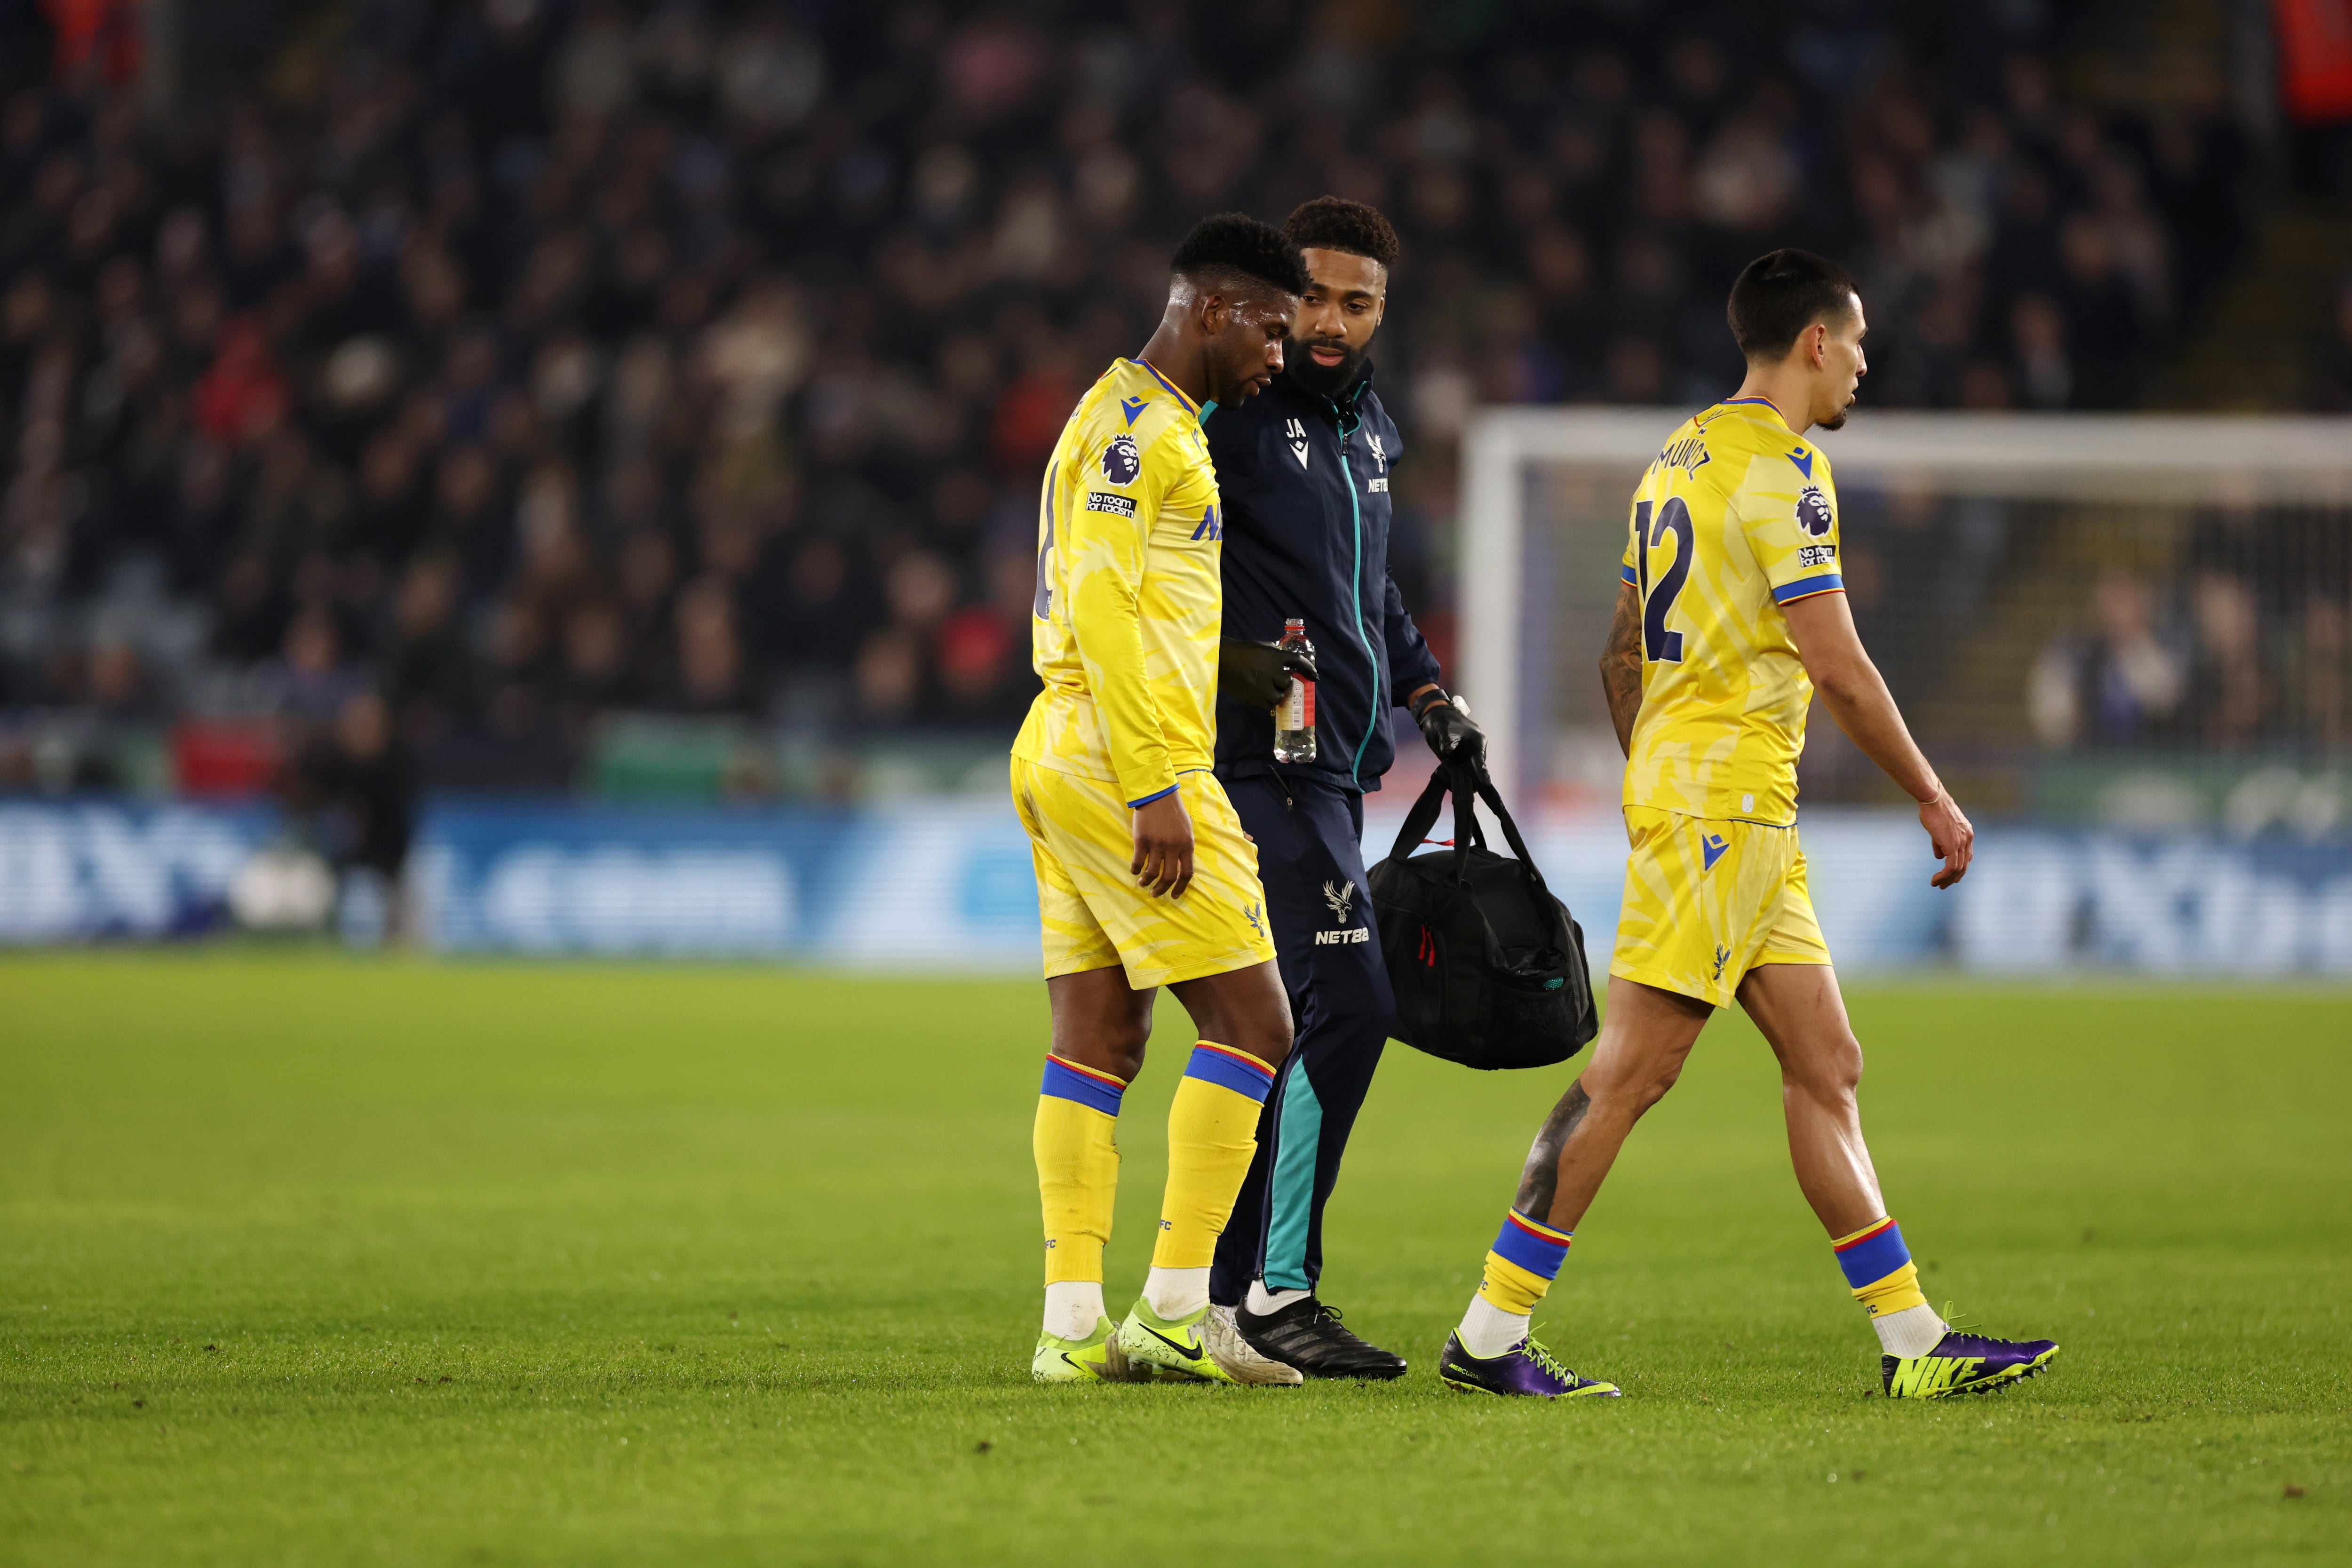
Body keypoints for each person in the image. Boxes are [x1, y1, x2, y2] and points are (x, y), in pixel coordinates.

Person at [1435, 249, 2059, 1401]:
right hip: (1723, 805)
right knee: (1626, 1075)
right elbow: (1841, 669)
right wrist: (1928, 790)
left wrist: (1655, 771)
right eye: (1857, 344)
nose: (1863, 367)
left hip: (1723, 804)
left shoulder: (1676, 456)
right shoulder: (1785, 472)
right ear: (1815, 341)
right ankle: (1486, 1332)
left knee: (1827, 1064)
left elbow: (1619, 647)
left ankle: (1912, 1341)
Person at [1013, 214, 1311, 1385]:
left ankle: (1072, 1327)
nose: (1279, 356)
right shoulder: (1145, 435)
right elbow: (1098, 607)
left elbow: (1135, 602)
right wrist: (1154, 785)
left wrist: (1237, 668)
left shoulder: (1118, 416)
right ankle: (1181, 1307)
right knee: (1257, 1024)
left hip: (1062, 744)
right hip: (1123, 758)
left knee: (1098, 1036)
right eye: (1273, 330)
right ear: (1214, 310)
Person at [1201, 197, 1482, 1381]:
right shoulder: (1230, 419)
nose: (1327, 320)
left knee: (1280, 1021)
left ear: (1380, 311)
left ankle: (1217, 1293)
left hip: (1338, 771)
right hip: (1262, 763)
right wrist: (1241, 667)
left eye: (1354, 301)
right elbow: (1159, 574)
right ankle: (1271, 1290)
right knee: (1351, 1003)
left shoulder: (1370, 429)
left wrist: (1428, 695)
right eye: (1310, 296)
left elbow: (1376, 597)